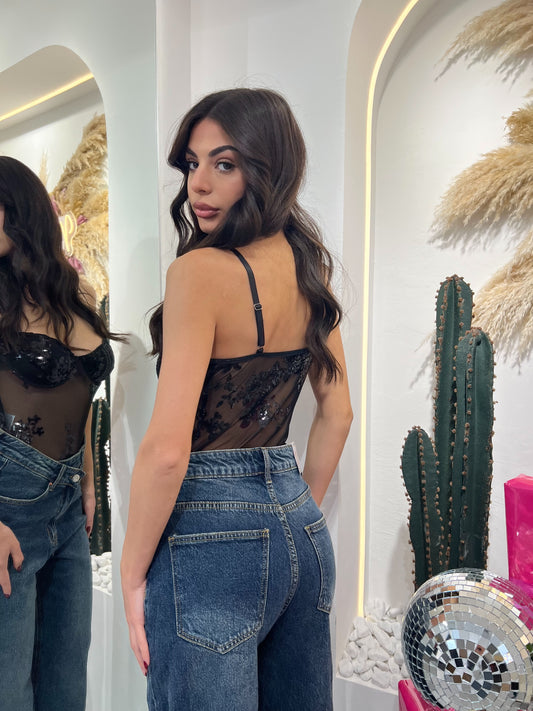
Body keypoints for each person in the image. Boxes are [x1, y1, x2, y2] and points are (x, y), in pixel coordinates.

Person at [121, 88, 352, 711]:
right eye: (192, 164)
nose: (199, 184)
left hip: (208, 535)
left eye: (224, 164)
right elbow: (338, 413)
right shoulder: (309, 271)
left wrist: (131, 574)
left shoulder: (199, 273)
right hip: (303, 534)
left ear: (268, 168)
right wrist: (292, 506)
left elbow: (168, 452)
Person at [0, 156, 117, 711]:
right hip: (9, 504)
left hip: (68, 506)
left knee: (66, 686)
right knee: (9, 692)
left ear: (18, 210)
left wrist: (89, 480)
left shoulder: (74, 293)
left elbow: (83, 391)